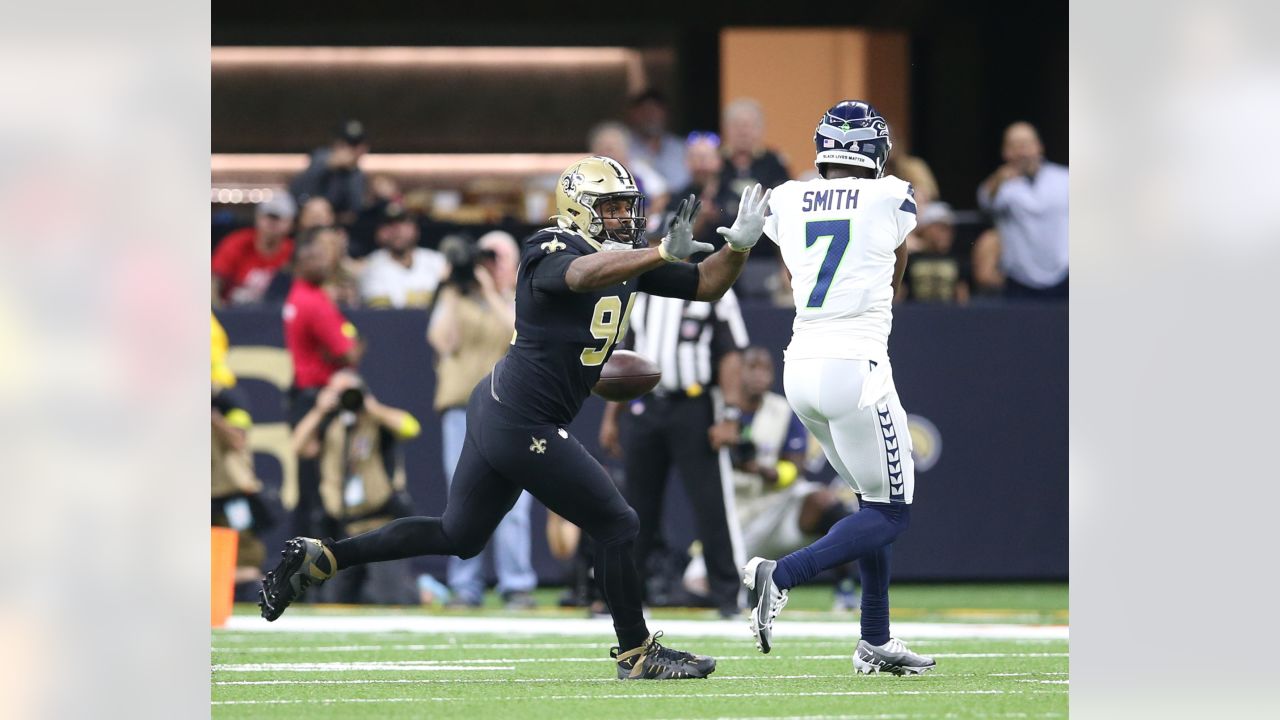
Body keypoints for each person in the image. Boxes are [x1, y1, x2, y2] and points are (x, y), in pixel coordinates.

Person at [261, 154, 771, 681]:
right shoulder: (550, 246)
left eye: (628, 207)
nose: (624, 218)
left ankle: (324, 558)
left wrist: (740, 246)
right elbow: (579, 275)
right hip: (522, 421)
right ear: (579, 210)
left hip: (503, 409)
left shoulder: (627, 260)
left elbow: (708, 284)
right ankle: (636, 653)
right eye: (612, 208)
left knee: (459, 535)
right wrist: (657, 251)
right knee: (617, 523)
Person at [742, 100, 936, 676]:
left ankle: (874, 638)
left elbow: (788, 269)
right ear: (874, 151)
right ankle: (782, 573)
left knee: (869, 506)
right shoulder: (891, 193)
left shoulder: (785, 196)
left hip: (800, 363)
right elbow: (897, 267)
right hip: (857, 366)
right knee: (892, 513)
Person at [598, 280, 749, 617]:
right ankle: (628, 597)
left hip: (695, 405)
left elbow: (731, 353)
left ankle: (728, 595)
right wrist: (612, 416)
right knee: (635, 507)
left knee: (711, 503)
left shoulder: (713, 286)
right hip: (645, 405)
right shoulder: (640, 290)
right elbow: (624, 360)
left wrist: (731, 414)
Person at [427, 231, 538, 609]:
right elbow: (442, 341)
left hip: (510, 410)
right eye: (485, 257)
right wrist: (453, 288)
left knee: (516, 504)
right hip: (461, 409)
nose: (490, 264)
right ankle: (465, 586)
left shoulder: (522, 298)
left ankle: (516, 585)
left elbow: (516, 333)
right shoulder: (457, 299)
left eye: (498, 256)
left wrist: (491, 289)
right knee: (462, 499)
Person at [291, 370, 422, 605]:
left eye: (347, 391)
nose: (343, 397)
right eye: (336, 391)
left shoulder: (377, 421)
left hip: (381, 527)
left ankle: (420, 590)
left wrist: (371, 407)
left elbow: (411, 428)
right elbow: (298, 447)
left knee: (391, 597)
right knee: (333, 601)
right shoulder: (329, 425)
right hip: (343, 530)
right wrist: (318, 411)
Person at [282, 226, 365, 541]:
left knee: (309, 484)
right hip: (319, 399)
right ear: (300, 263)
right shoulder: (314, 302)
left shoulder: (299, 295)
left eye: (323, 256)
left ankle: (304, 561)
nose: (323, 263)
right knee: (322, 484)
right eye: (314, 257)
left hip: (304, 395)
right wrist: (355, 343)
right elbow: (347, 352)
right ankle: (316, 565)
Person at [976, 122, 1069, 299]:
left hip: (1063, 276)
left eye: (1026, 145)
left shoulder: (1064, 179)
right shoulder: (1001, 185)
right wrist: (1000, 179)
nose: (1022, 152)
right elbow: (985, 201)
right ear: (1005, 152)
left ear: (1039, 147)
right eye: (1015, 146)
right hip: (1019, 280)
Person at [359, 202, 448, 309]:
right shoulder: (371, 266)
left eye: (403, 223)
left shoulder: (437, 261)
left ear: (416, 228)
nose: (397, 230)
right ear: (380, 232)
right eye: (390, 224)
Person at [212, 194, 296, 306]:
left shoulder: (293, 252)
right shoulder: (237, 243)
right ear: (258, 218)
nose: (272, 224)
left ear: (290, 224)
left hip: (275, 315)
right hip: (233, 311)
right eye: (268, 217)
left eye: (278, 219)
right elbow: (214, 280)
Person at [290, 119, 370, 224]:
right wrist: (327, 166)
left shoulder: (357, 175)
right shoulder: (320, 158)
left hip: (338, 230)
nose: (349, 150)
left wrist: (351, 171)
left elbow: (355, 210)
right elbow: (298, 193)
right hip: (307, 225)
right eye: (344, 144)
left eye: (355, 146)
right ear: (336, 144)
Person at [898, 201, 971, 304]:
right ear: (925, 229)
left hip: (948, 316)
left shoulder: (958, 260)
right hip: (915, 316)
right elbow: (900, 294)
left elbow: (962, 297)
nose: (946, 233)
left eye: (949, 229)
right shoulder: (909, 260)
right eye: (940, 228)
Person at [626, 89, 691, 191]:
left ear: (666, 113)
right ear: (633, 114)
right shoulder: (625, 148)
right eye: (645, 111)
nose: (650, 117)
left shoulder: (681, 148)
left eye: (655, 111)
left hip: (680, 203)